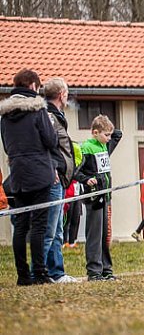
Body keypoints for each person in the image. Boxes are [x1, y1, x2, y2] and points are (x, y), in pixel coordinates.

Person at [0, 69, 58, 286]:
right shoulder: (38, 110)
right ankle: (40, 273)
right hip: (40, 173)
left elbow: (6, 146)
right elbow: (51, 141)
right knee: (39, 225)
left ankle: (22, 275)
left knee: (21, 225)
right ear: (33, 86)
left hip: (18, 174)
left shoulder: (5, 115)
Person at [41, 78, 79, 283]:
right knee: (50, 229)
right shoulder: (48, 116)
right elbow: (47, 145)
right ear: (61, 94)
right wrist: (54, 168)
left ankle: (56, 271)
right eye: (66, 93)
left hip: (61, 180)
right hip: (53, 179)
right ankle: (43, 271)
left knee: (57, 229)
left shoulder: (57, 116)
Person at [76, 114, 122, 281]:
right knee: (94, 235)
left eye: (109, 135)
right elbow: (76, 171)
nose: (109, 138)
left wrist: (106, 123)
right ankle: (94, 271)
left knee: (104, 235)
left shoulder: (105, 146)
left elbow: (119, 134)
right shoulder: (86, 148)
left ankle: (106, 269)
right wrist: (86, 179)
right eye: (105, 135)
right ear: (94, 132)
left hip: (106, 195)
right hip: (93, 196)